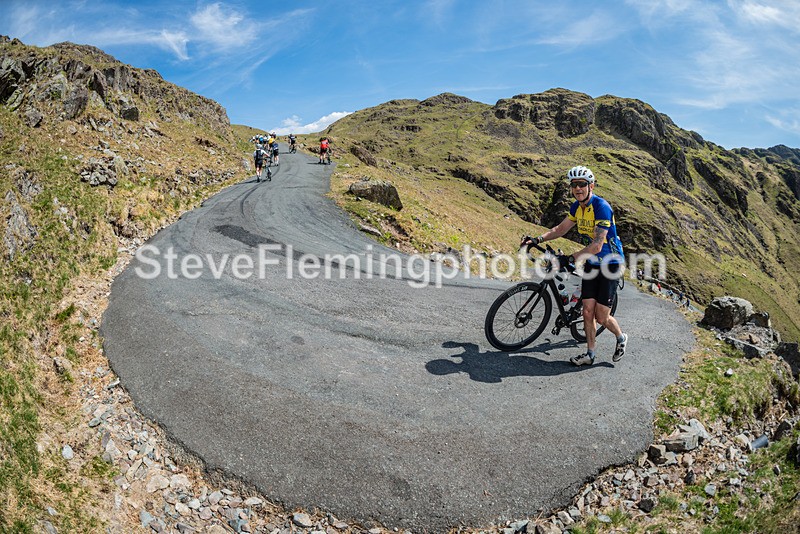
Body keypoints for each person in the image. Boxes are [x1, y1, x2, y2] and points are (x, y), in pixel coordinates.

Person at [521, 165, 628, 366]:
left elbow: (597, 245)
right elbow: (560, 229)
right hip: (592, 263)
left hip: (610, 263)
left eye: (582, 184)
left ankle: (621, 338)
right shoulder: (576, 208)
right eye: (574, 185)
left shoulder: (601, 207)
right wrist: (537, 239)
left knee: (601, 316)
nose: (578, 188)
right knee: (587, 311)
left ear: (591, 186)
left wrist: (570, 258)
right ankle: (590, 354)